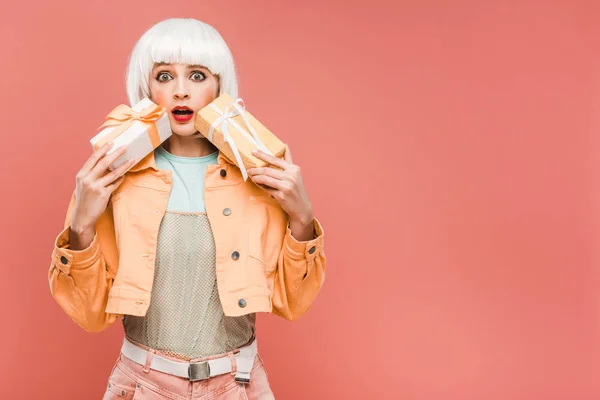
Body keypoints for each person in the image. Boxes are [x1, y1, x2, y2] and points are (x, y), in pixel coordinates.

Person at [48, 18, 327, 400]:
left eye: (197, 76)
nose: (181, 92)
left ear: (219, 86)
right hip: (143, 384)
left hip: (237, 384)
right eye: (164, 76)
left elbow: (291, 303)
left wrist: (302, 219)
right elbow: (91, 315)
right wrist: (81, 225)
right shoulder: (115, 173)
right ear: (147, 87)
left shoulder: (258, 170)